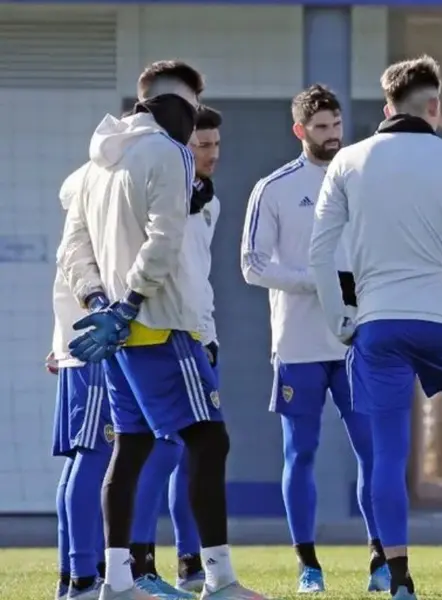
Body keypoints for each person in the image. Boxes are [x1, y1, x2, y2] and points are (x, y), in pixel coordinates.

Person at [308, 55, 442, 600]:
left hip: (376, 326)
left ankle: (399, 578)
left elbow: (319, 252)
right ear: (435, 106)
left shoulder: (348, 160)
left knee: (386, 453)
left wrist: (339, 318)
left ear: (387, 108)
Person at [57, 59, 266, 600]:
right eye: (193, 110)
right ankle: (216, 578)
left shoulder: (95, 165)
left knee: (131, 448)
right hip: (163, 324)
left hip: (120, 336)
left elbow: (73, 251)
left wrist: (101, 304)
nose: (195, 124)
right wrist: (128, 304)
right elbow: (164, 240)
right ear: (178, 104)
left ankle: (116, 582)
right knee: (208, 440)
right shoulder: (169, 153)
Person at [240, 84, 387, 594]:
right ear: (300, 130)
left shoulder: (364, 180)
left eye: (337, 125)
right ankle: (308, 565)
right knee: (300, 452)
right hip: (299, 345)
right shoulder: (274, 187)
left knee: (373, 452)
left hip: (356, 344)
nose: (332, 135)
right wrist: (319, 282)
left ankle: (381, 559)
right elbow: (252, 265)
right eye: (322, 127)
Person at [127, 104, 223, 599]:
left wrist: (208, 332)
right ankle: (137, 564)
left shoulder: (209, 201)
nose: (212, 154)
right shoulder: (161, 193)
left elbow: (197, 274)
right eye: (202, 145)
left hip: (199, 335)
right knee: (163, 447)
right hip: (164, 333)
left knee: (193, 453)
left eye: (216, 145)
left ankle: (191, 563)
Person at [51, 166, 111, 600]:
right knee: (94, 457)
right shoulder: (87, 233)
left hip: (78, 352)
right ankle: (83, 577)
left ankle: (73, 574)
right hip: (92, 351)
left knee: (81, 460)